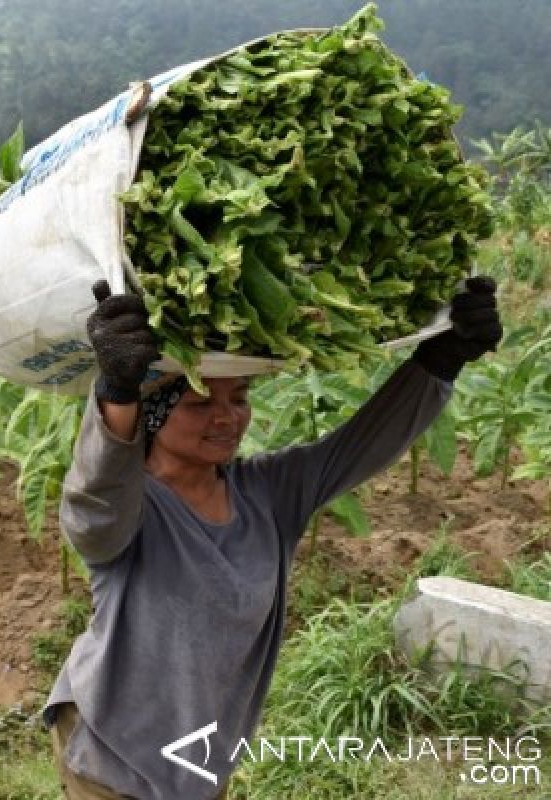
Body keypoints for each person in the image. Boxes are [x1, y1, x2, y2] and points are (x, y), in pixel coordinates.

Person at [44, 277, 503, 799]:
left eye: (239, 397)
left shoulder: (269, 493)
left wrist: (441, 359)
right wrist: (115, 391)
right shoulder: (132, 507)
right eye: (199, 401)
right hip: (111, 751)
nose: (227, 416)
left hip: (200, 755)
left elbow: (360, 444)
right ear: (153, 411)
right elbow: (92, 509)